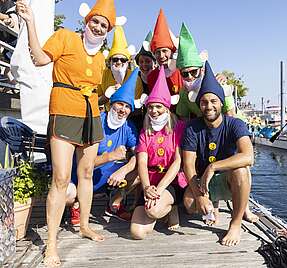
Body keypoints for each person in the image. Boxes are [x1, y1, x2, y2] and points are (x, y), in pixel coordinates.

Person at [16, 0, 116, 266]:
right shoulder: (65, 37)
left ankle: (84, 225)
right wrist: (30, 23)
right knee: (61, 178)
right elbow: (39, 58)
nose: (98, 26)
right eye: (95, 21)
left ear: (108, 32)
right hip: (64, 109)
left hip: (91, 114)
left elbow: (102, 88)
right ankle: (51, 244)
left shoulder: (102, 59)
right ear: (87, 21)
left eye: (104, 25)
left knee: (85, 173)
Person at [181, 61, 257, 246]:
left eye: (213, 101)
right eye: (204, 102)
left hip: (228, 178)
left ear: (221, 103)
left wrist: (213, 167)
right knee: (190, 206)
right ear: (199, 105)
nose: (209, 106)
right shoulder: (192, 128)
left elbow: (249, 156)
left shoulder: (235, 124)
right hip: (204, 183)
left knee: (241, 170)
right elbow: (188, 165)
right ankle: (212, 204)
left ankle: (236, 222)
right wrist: (200, 196)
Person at [67, 68, 140, 225]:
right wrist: (110, 156)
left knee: (138, 173)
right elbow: (83, 163)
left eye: (127, 107)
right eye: (120, 104)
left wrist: (124, 170)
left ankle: (115, 204)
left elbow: (139, 155)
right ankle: (76, 204)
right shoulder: (96, 121)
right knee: (67, 194)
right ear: (111, 104)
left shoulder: (128, 127)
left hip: (108, 178)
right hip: (80, 175)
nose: (123, 110)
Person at [130, 65, 187, 240]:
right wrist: (147, 188)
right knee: (136, 233)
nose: (154, 111)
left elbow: (177, 162)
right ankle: (155, 209)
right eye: (151, 107)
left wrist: (160, 189)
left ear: (167, 108)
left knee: (153, 210)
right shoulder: (144, 131)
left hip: (170, 181)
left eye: (158, 107)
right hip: (150, 181)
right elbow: (141, 162)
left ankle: (171, 207)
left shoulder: (178, 128)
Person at [175, 23, 234, 120]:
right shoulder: (184, 93)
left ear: (201, 69)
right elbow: (183, 120)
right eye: (185, 74)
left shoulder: (219, 85)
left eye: (194, 71)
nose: (189, 77)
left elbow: (231, 116)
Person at [146, 9, 182, 96]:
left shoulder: (182, 72)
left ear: (172, 52)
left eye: (164, 51)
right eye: (157, 52)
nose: (161, 56)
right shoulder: (151, 77)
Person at [98, 24, 133, 111]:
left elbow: (138, 107)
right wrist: (106, 96)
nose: (119, 62)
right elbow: (96, 101)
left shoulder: (134, 77)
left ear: (127, 62)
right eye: (115, 59)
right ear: (110, 61)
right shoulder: (103, 75)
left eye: (123, 60)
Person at [129, 31, 157, 131]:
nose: (144, 65)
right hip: (137, 118)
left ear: (154, 63)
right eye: (141, 62)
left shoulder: (159, 78)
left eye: (148, 61)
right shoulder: (135, 78)